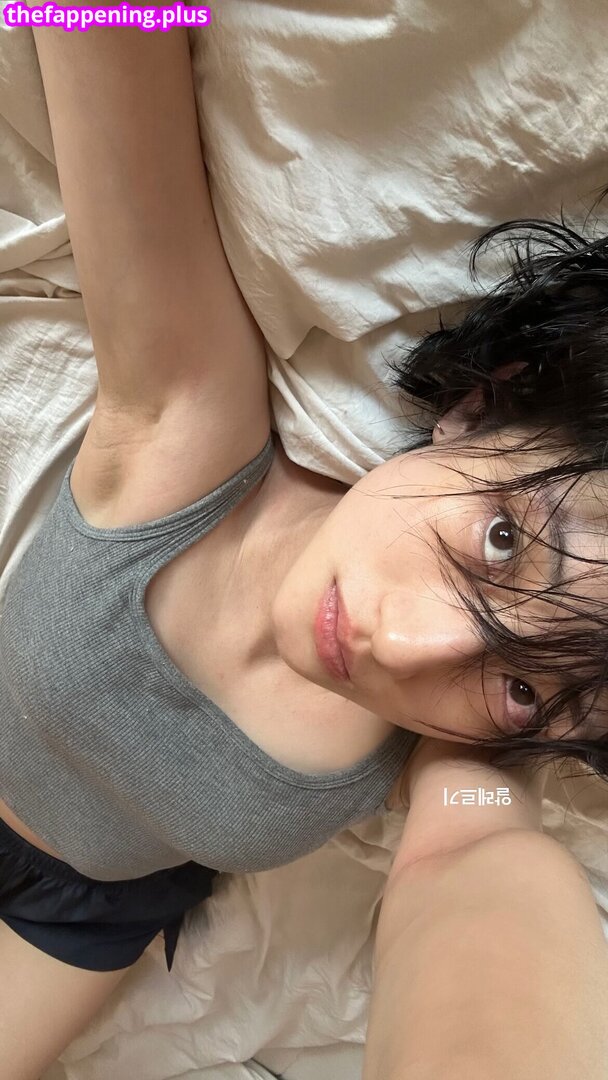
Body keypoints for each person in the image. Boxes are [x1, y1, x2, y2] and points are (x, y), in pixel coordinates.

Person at [0, 22, 606, 1080]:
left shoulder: (465, 752)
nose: (403, 650)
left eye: (524, 688)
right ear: (484, 404)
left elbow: (475, 860)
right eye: (503, 540)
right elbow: (101, 40)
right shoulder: (189, 438)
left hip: (85, 916)